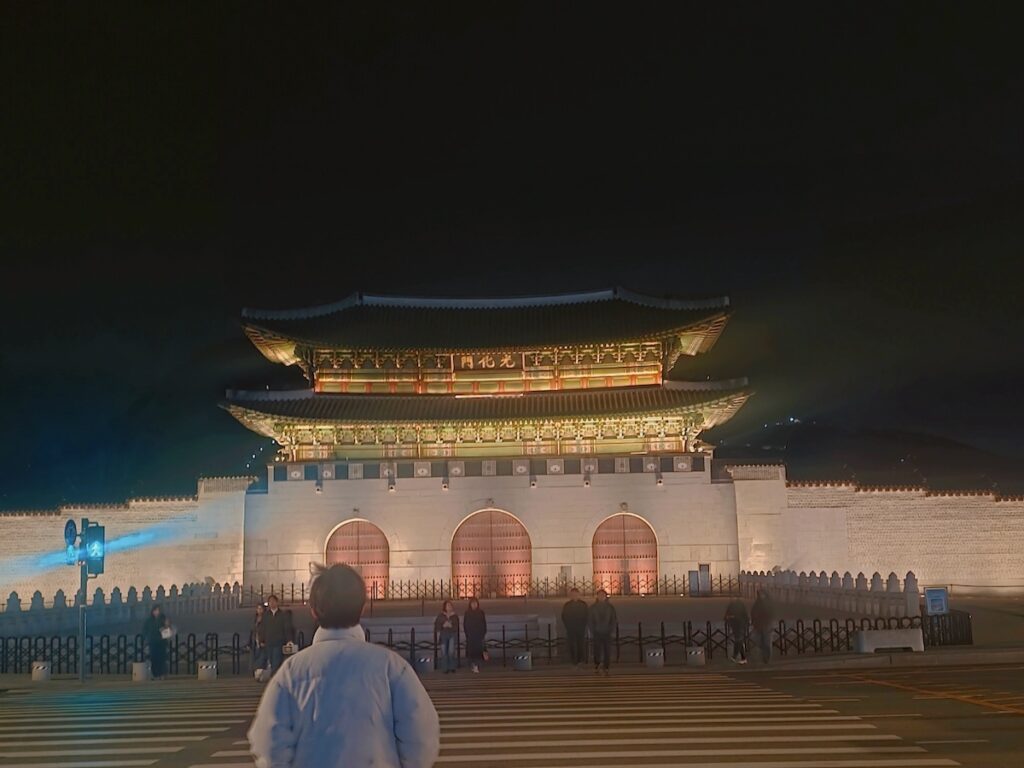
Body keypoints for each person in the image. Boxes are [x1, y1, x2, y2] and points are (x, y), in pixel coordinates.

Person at [248, 564, 440, 768]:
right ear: (362, 607)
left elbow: (269, 746)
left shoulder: (291, 672)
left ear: (313, 611)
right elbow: (421, 738)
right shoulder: (392, 667)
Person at [262, 594, 295, 678]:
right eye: (270, 602)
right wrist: (262, 639)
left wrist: (289, 640)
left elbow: (286, 627)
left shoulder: (282, 614)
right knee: (271, 660)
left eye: (273, 601)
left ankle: (274, 678)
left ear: (277, 602)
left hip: (278, 641)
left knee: (277, 660)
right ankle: (275, 677)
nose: (271, 603)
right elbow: (263, 628)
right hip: (269, 641)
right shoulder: (266, 615)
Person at [587, 589, 617, 675]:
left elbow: (613, 619)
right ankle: (597, 664)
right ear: (597, 596)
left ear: (605, 597)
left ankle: (606, 666)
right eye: (599, 595)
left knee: (607, 650)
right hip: (597, 632)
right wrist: (593, 630)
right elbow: (590, 620)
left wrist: (611, 629)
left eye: (603, 595)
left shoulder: (610, 607)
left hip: (607, 632)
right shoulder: (593, 607)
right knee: (597, 650)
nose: (601, 597)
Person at [561, 588, 589, 666]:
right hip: (571, 628)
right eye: (572, 595)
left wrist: (584, 625)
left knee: (581, 643)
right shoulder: (567, 605)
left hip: (581, 627)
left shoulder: (583, 604)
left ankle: (580, 659)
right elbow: (564, 616)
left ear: (578, 595)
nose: (574, 596)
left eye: (575, 594)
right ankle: (573, 659)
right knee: (572, 644)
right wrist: (568, 625)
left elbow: (586, 615)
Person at [142, 604, 171, 680]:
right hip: (152, 642)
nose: (156, 612)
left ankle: (162, 674)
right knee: (154, 659)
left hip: (162, 643)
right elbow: (145, 630)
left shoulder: (163, 619)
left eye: (158, 610)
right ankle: (155, 674)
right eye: (155, 610)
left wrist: (166, 627)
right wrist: (145, 639)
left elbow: (167, 632)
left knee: (162, 659)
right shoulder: (149, 620)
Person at [463, 597, 487, 673]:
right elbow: (465, 624)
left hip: (479, 635)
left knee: (479, 651)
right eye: (472, 603)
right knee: (471, 652)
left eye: (475, 603)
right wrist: (467, 634)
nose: (474, 605)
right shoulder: (467, 613)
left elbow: (484, 624)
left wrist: (483, 633)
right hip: (470, 635)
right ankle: (473, 665)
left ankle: (477, 665)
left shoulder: (481, 613)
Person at [434, 600, 460, 673]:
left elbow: (456, 626)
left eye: (450, 605)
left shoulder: (454, 616)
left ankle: (452, 667)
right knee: (444, 652)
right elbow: (437, 625)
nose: (449, 607)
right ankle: (445, 668)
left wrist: (451, 626)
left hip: (451, 635)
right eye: (447, 605)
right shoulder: (441, 616)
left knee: (451, 652)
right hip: (443, 635)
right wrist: (443, 625)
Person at [750, 589, 775, 664]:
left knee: (767, 642)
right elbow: (753, 612)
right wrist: (754, 620)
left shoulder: (769, 603)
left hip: (767, 624)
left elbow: (771, 613)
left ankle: (766, 658)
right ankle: (764, 653)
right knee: (757, 640)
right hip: (758, 625)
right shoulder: (757, 603)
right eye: (759, 594)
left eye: (762, 594)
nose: (761, 596)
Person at [724, 597, 750, 664]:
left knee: (738, 640)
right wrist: (727, 617)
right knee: (739, 640)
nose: (731, 598)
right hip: (735, 625)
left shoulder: (740, 605)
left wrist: (733, 617)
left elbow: (743, 615)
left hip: (740, 625)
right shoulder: (732, 605)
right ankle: (743, 658)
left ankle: (734, 656)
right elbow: (726, 614)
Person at [251, 603, 268, 679]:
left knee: (262, 658)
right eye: (258, 609)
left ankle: (259, 674)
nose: (259, 610)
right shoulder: (255, 619)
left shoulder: (266, 619)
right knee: (256, 657)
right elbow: (253, 631)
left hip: (262, 641)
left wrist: (264, 641)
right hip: (256, 641)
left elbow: (266, 631)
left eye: (260, 609)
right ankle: (257, 673)